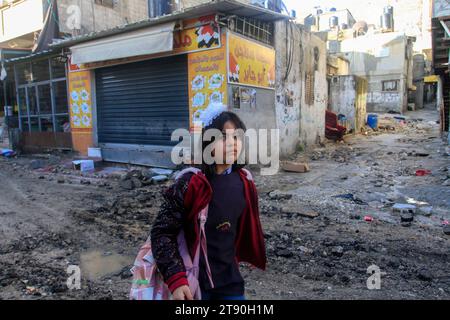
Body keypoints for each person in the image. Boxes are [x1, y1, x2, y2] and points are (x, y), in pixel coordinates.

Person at [150, 106, 266, 300]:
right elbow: (162, 232)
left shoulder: (244, 182)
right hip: (194, 284)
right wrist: (176, 279)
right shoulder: (190, 183)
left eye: (236, 136)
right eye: (223, 136)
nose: (231, 143)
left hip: (230, 283)